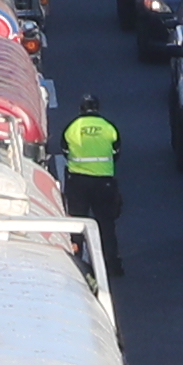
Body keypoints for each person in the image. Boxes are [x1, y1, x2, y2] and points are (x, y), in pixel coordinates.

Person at [60, 100, 123, 271]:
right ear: (97, 108)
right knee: (106, 224)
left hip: (78, 181)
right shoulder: (108, 127)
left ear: (81, 109)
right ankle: (112, 263)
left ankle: (76, 261)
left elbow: (65, 151)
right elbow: (116, 152)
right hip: (104, 182)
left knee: (77, 222)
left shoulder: (73, 127)